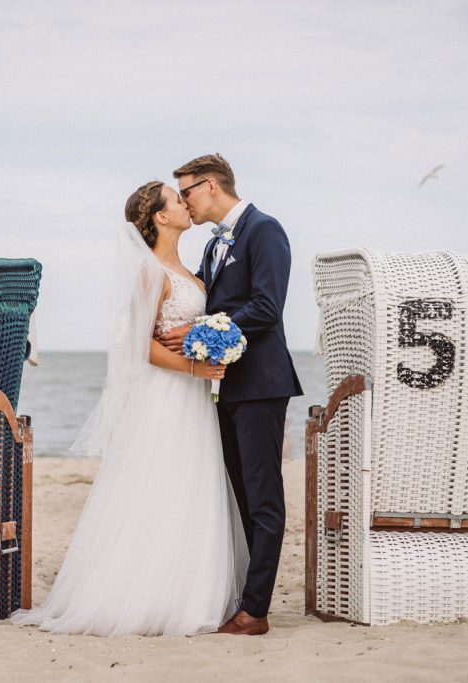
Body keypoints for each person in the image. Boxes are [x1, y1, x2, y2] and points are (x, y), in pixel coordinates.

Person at [11, 181, 248, 637]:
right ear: (160, 217)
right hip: (167, 394)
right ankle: (144, 596)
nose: (185, 203)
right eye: (176, 199)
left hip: (194, 398)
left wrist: (211, 345)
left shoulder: (192, 274)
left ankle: (186, 592)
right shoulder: (149, 272)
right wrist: (196, 368)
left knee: (192, 485)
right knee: (160, 483)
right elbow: (141, 347)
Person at [158, 154, 303, 636]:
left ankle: (255, 611)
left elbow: (266, 307)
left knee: (263, 499)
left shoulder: (265, 230)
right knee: (239, 495)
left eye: (187, 193)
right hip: (226, 386)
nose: (185, 203)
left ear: (212, 186)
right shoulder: (213, 245)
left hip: (261, 385)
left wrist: (196, 329)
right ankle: (241, 595)